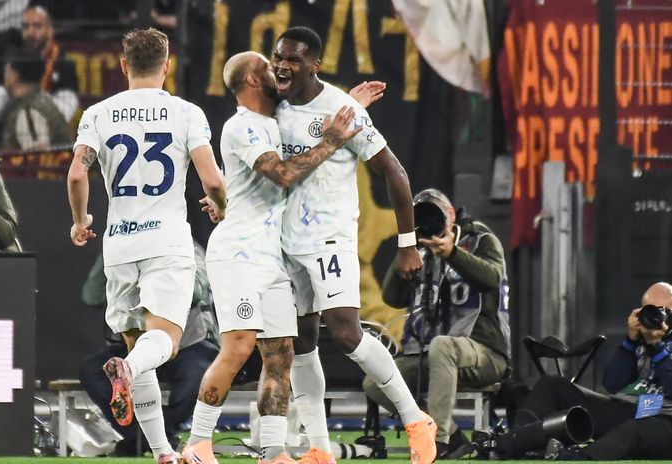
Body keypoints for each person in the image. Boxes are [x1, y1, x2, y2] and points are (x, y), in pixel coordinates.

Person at [180, 51, 361, 464]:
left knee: (281, 353)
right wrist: (332, 139)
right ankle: (197, 442)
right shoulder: (240, 125)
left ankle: (273, 451)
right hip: (237, 257)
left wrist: (350, 106)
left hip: (271, 259)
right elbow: (281, 174)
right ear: (250, 81)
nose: (276, 71)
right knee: (239, 346)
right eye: (267, 67)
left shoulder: (274, 123)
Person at [270, 26, 435, 464]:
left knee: (345, 333)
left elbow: (396, 173)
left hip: (329, 239)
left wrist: (408, 244)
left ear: (314, 65)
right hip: (287, 245)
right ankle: (320, 449)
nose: (282, 65)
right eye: (278, 56)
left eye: (293, 59)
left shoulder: (342, 110)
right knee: (301, 343)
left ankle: (416, 419)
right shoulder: (274, 103)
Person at [66, 27, 227, 464]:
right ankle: (128, 368)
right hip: (166, 242)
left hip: (119, 245)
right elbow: (211, 178)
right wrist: (221, 206)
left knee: (140, 344)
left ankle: (162, 453)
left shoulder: (97, 113)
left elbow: (78, 174)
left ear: (123, 66)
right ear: (167, 66)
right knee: (164, 344)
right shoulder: (186, 112)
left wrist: (81, 222)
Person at [362, 188, 511, 460]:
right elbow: (392, 298)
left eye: (435, 214)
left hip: (484, 353)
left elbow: (492, 278)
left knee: (442, 346)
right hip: (431, 354)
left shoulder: (481, 239)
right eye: (420, 218)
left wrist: (453, 253)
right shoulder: (417, 249)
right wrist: (404, 253)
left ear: (451, 214)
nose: (429, 224)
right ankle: (452, 436)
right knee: (375, 381)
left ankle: (438, 442)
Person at [497, 282, 672, 461]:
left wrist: (658, 348)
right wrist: (630, 342)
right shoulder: (644, 338)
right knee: (553, 384)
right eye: (648, 309)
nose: (655, 316)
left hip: (663, 421)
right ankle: (516, 443)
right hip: (629, 409)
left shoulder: (656, 343)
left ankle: (577, 458)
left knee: (635, 429)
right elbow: (613, 384)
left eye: (661, 310)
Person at [79, 243, 219, 456]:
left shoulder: (183, 243)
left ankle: (150, 435)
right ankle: (143, 435)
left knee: (199, 374)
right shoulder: (121, 249)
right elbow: (92, 295)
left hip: (185, 346)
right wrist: (109, 258)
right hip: (133, 346)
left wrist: (159, 276)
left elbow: (198, 289)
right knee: (91, 369)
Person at [0, 5, 78, 124]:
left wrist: (24, 95)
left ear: (50, 30)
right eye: (25, 27)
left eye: (37, 26)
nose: (30, 32)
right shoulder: (11, 62)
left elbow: (65, 113)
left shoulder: (64, 65)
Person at [0, 50, 71, 151]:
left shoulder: (28, 110)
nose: (4, 77)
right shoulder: (39, 100)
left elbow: (36, 160)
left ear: (14, 75)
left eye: (7, 71)